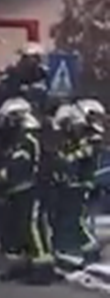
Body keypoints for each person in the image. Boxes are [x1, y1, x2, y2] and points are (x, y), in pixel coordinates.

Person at [0, 97, 55, 283]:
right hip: (23, 191)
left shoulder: (28, 139)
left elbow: (19, 166)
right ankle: (27, 265)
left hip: (31, 190)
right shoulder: (23, 139)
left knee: (32, 226)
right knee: (22, 229)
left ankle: (42, 268)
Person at [50, 103, 89, 269]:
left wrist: (65, 160)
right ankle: (66, 250)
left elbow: (80, 156)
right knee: (63, 218)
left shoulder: (85, 141)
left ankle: (78, 250)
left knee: (72, 219)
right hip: (66, 186)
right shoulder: (65, 140)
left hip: (76, 186)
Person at [77, 97, 106, 262]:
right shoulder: (88, 136)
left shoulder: (90, 138)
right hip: (88, 184)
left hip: (86, 185)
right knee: (86, 219)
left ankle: (90, 251)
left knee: (82, 220)